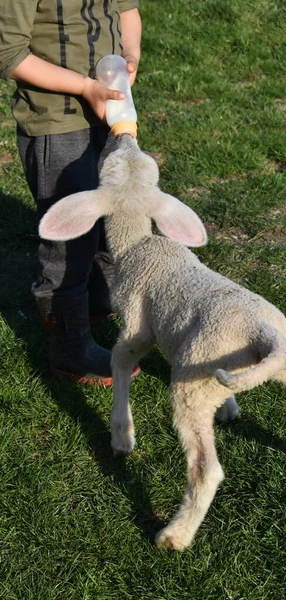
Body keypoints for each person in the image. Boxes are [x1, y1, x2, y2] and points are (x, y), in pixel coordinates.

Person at [0, 1, 141, 385]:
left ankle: (97, 299)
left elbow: (127, 9)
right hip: (56, 123)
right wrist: (84, 87)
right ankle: (69, 344)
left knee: (111, 207)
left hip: (108, 107)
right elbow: (8, 52)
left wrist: (130, 56)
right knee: (71, 233)